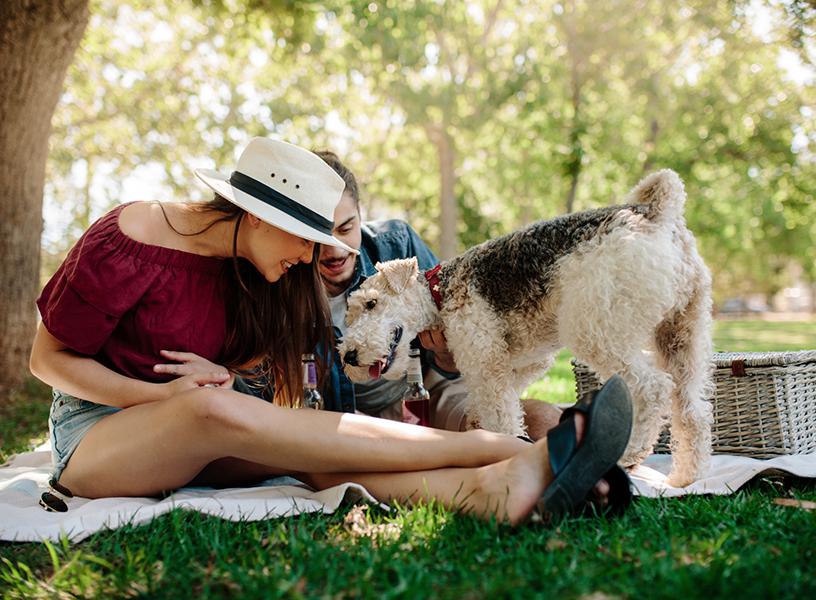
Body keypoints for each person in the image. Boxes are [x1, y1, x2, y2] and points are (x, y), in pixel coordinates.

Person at [29, 137, 631, 524]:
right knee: (208, 414)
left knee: (308, 453)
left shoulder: (266, 276)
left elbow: (259, 386)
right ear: (260, 215)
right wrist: (164, 397)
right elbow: (48, 360)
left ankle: (497, 490)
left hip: (202, 432)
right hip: (97, 437)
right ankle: (504, 451)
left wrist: (226, 377)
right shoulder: (131, 238)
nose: (317, 256)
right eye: (308, 240)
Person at [313, 151, 564, 440]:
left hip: (425, 387)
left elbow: (456, 364)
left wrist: (445, 352)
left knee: (545, 423)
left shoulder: (397, 245)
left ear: (359, 212)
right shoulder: (284, 281)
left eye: (346, 228)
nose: (335, 251)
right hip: (346, 419)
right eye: (321, 235)